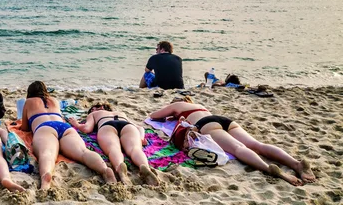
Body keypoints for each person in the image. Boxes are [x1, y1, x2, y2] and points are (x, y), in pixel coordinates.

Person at [149, 101, 316, 186]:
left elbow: (154, 115)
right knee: (257, 145)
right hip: (225, 120)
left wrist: (171, 115)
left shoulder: (178, 105)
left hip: (207, 124)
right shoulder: (200, 105)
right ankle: (296, 164)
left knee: (238, 148)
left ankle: (269, 169)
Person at [20, 81, 116, 190]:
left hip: (45, 128)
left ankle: (46, 178)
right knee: (83, 152)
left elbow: (25, 128)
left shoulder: (28, 102)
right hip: (65, 127)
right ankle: (104, 169)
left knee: (47, 154)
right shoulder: (54, 101)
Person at [68, 102, 160, 186]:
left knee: (113, 149)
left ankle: (119, 167)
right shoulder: (121, 113)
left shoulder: (94, 114)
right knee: (135, 149)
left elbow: (86, 129)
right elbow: (140, 128)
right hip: (127, 125)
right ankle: (144, 166)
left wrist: (76, 124)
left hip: (107, 125)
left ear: (101, 107)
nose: (92, 110)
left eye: (94, 108)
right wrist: (141, 138)